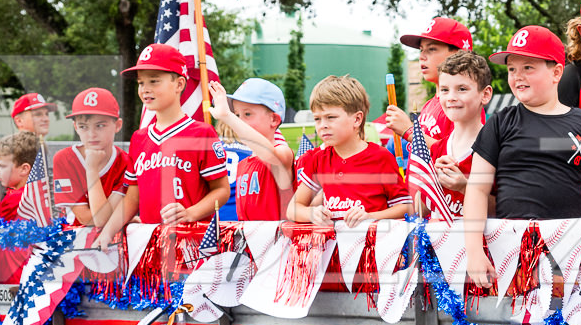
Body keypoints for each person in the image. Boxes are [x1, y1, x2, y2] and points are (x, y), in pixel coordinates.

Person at [465, 27, 581, 285]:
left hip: (577, 256)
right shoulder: (500, 123)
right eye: (511, 69)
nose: (517, 77)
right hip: (515, 256)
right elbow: (477, 189)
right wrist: (473, 250)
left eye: (528, 67)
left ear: (557, 72)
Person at [95, 44, 230, 247]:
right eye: (141, 83)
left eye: (154, 81)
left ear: (179, 84)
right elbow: (132, 198)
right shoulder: (139, 138)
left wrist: (190, 213)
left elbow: (221, 190)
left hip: (193, 246)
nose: (145, 89)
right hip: (150, 246)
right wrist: (107, 233)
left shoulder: (202, 133)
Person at [288, 75, 410, 227]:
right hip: (333, 247)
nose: (322, 125)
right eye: (317, 119)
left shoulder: (381, 157)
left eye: (330, 117)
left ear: (357, 119)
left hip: (373, 246)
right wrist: (311, 213)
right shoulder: (318, 159)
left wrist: (370, 217)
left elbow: (406, 208)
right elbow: (293, 209)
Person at [210, 78, 294, 221]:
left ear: (274, 120)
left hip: (276, 241)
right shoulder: (244, 164)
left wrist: (228, 116)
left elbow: (270, 155)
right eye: (237, 115)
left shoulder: (283, 153)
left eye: (247, 114)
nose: (239, 121)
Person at [385, 17, 475, 145]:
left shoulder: (465, 103)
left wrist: (409, 131)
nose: (421, 56)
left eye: (431, 49)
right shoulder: (429, 104)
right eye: (421, 50)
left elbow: (458, 156)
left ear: (459, 54)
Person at [426, 51, 494, 218]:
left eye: (462, 89)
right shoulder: (437, 148)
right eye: (444, 90)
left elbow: (505, 210)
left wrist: (465, 187)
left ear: (485, 95)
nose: (451, 97)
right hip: (441, 242)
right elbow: (425, 208)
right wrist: (428, 183)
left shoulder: (496, 148)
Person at [52, 87, 130, 226]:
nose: (91, 134)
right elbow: (86, 219)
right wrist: (92, 169)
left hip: (113, 239)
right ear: (75, 127)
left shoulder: (126, 162)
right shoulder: (64, 159)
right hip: (73, 239)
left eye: (100, 125)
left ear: (118, 125)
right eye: (83, 127)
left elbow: (102, 219)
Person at [0, 131, 41, 282]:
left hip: (15, 278)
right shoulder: (37, 192)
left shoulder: (16, 198)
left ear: (24, 169)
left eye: (1, 166)